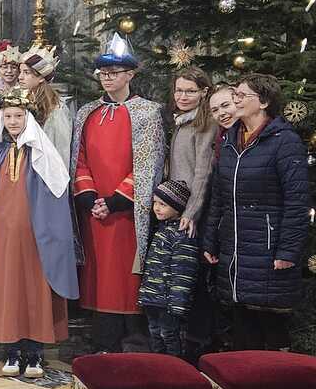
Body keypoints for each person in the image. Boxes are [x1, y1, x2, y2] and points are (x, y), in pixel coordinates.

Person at [0, 86, 78, 378]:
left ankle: (35, 353)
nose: (13, 121)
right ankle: (11, 352)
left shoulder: (42, 153)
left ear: (28, 118)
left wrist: (52, 235)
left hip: (37, 239)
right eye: (8, 116)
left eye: (18, 116)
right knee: (7, 293)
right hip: (3, 240)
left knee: (35, 293)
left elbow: (56, 197)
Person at [71, 34, 165, 353]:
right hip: (94, 210)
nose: (107, 78)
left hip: (126, 212)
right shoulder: (87, 112)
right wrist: (89, 197)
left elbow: (149, 162)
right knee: (98, 275)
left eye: (114, 72)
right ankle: (102, 341)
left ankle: (133, 344)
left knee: (125, 277)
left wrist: (114, 202)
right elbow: (79, 158)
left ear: (130, 74)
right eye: (103, 73)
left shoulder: (147, 112)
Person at [203, 74, 310, 351]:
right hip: (235, 249)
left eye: (242, 95)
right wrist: (211, 241)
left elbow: (297, 202)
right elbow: (219, 198)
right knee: (242, 329)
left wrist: (288, 252)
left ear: (263, 102)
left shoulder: (284, 142)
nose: (236, 100)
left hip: (268, 249)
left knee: (271, 330)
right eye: (235, 95)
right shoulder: (229, 141)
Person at [138, 180, 198, 357]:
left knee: (169, 335)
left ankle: (175, 366)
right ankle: (159, 365)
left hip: (169, 303)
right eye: (155, 203)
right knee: (155, 333)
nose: (156, 208)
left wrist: (178, 304)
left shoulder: (182, 235)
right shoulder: (160, 230)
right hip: (153, 298)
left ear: (177, 208)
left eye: (163, 204)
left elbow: (183, 273)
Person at [168, 67, 218, 237]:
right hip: (176, 203)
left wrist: (191, 211)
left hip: (192, 210)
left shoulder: (207, 123)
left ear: (204, 92)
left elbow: (203, 172)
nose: (183, 97)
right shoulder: (182, 120)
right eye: (179, 90)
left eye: (190, 91)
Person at [18, 45, 72, 165]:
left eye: (26, 72)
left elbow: (60, 149)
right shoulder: (20, 100)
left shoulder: (55, 110)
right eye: (20, 72)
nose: (20, 77)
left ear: (41, 77)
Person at [0, 42, 21, 119]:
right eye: (5, 67)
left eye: (13, 67)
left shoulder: (25, 92)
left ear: (19, 71)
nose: (9, 71)